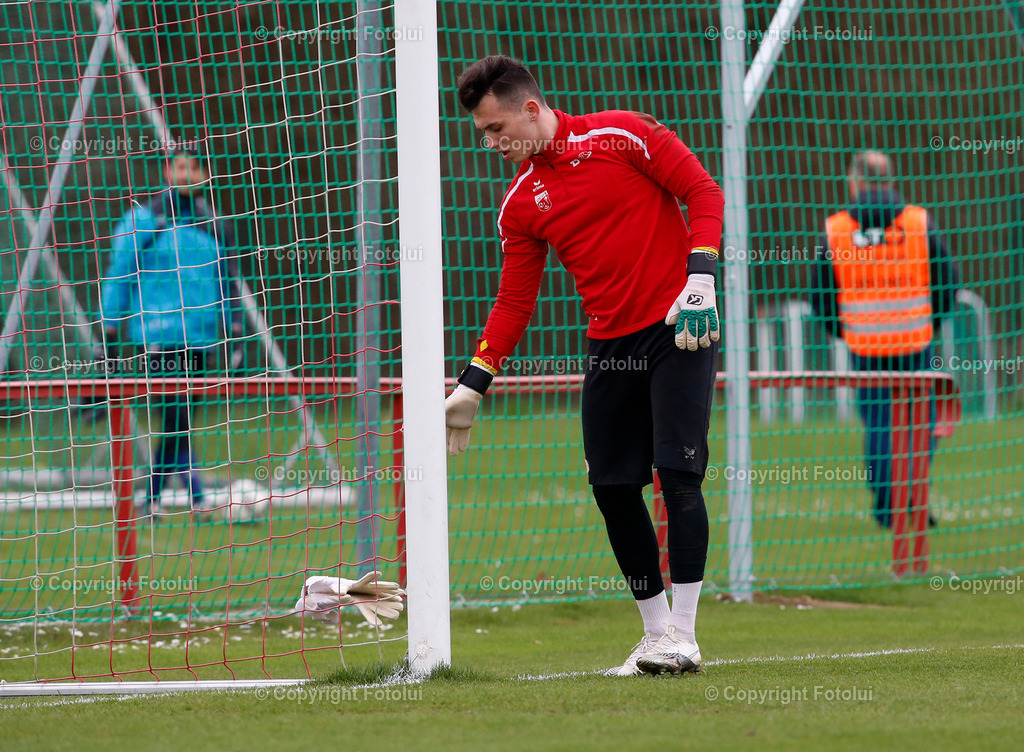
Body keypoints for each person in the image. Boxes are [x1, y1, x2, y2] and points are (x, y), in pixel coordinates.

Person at [445, 56, 725, 676]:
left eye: (495, 129)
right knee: (612, 487)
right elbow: (514, 301)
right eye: (483, 134)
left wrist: (700, 278)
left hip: (681, 324)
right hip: (611, 347)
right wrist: (474, 380)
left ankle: (685, 633)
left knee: (678, 476)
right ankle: (655, 637)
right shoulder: (519, 203)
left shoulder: (622, 134)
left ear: (530, 109)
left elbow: (703, 192)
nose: (491, 143)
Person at [810, 150, 960, 528]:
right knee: (920, 421)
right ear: (890, 179)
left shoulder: (837, 229)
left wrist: (844, 331)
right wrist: (929, 320)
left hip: (866, 346)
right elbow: (948, 280)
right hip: (915, 340)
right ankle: (914, 495)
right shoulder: (918, 222)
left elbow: (821, 296)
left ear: (856, 180)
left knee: (878, 422)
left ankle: (885, 506)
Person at [100, 146, 243, 517]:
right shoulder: (142, 221)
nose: (186, 174)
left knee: (180, 418)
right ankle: (188, 497)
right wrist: (109, 330)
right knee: (177, 412)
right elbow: (118, 275)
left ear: (204, 175)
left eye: (193, 167)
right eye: (179, 166)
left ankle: (156, 499)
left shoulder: (215, 224)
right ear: (167, 171)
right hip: (156, 335)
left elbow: (228, 282)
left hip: (202, 337)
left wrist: (235, 328)